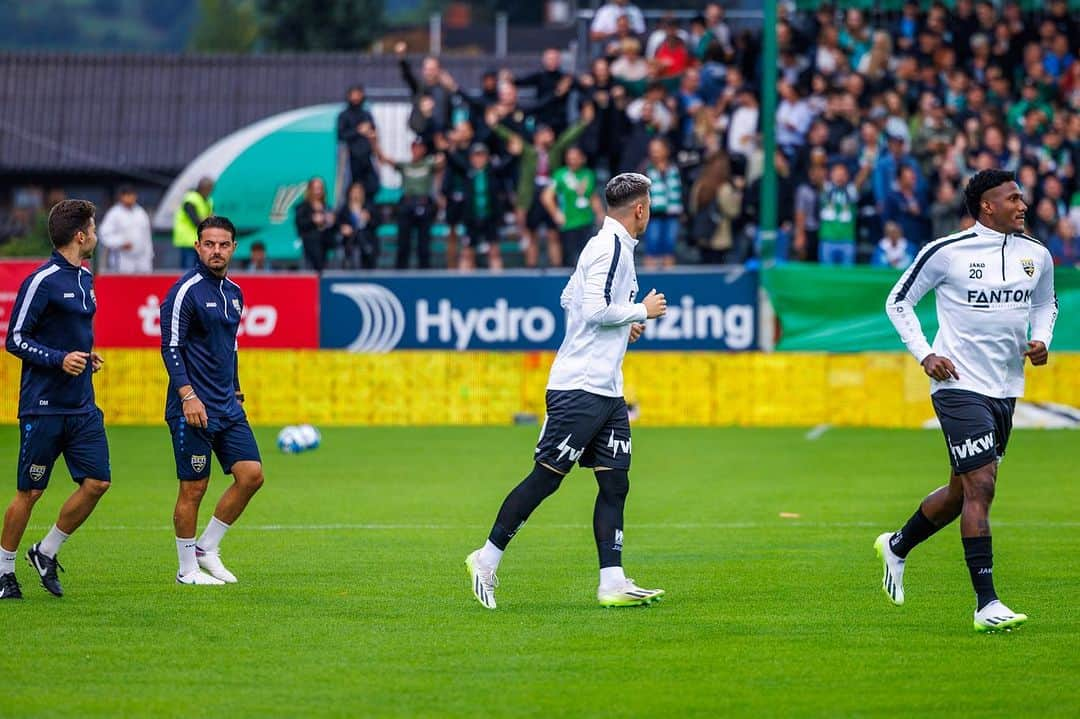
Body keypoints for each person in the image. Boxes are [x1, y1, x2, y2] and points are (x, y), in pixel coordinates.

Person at [465, 173, 667, 610]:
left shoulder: (608, 247)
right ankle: (485, 558)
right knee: (546, 479)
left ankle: (611, 582)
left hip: (606, 389)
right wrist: (640, 310)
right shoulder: (609, 247)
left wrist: (622, 327)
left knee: (616, 484)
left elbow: (568, 299)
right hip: (579, 388)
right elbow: (591, 308)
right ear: (639, 209)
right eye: (648, 204)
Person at [877, 169, 1058, 632]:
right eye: (1013, 198)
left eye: (1022, 198)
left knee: (962, 492)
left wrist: (1042, 339)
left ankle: (897, 545)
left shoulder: (1037, 255)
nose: (1022, 205)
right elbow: (898, 301)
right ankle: (986, 604)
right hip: (957, 383)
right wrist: (926, 354)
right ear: (986, 206)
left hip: (1005, 388)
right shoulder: (945, 252)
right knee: (982, 486)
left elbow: (1045, 304)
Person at [1, 199, 110, 600]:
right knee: (29, 493)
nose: (97, 234)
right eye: (93, 227)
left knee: (98, 482)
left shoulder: (86, 278)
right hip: (43, 406)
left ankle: (45, 551)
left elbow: (71, 333)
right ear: (80, 236)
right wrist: (58, 359)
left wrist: (85, 356)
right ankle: (3, 572)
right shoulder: (41, 280)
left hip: (82, 404)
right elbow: (14, 338)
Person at [159, 216, 266, 586]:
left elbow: (230, 347)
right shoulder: (184, 291)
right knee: (194, 488)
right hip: (193, 407)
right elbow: (170, 347)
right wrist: (187, 396)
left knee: (251, 476)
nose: (216, 251)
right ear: (198, 247)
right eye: (209, 244)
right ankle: (186, 570)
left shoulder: (235, 293)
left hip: (226, 406)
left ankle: (207, 548)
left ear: (233, 247)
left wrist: (235, 389)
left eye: (223, 245)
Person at [374, 138, 441, 270]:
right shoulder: (405, 165)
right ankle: (400, 273)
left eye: (420, 147)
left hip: (424, 204)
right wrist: (374, 141)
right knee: (403, 244)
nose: (417, 150)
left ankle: (425, 274)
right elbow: (383, 159)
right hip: (407, 204)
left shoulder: (429, 163)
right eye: (414, 147)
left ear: (424, 149)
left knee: (424, 245)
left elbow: (442, 161)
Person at [541, 146, 603, 268]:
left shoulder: (588, 174)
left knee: (588, 259)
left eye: (575, 158)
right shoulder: (560, 175)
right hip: (569, 223)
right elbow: (546, 197)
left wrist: (600, 214)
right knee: (570, 260)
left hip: (586, 221)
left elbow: (592, 196)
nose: (572, 161)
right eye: (570, 158)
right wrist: (556, 213)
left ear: (582, 159)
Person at [641, 137, 683, 269]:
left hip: (673, 214)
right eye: (652, 150)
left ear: (666, 151)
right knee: (651, 247)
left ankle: (669, 279)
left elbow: (683, 189)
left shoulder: (675, 167)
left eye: (658, 150)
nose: (655, 153)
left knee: (669, 248)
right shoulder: (645, 168)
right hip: (653, 215)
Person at [336, 85, 380, 204]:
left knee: (373, 185)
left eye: (358, 95)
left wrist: (371, 135)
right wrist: (358, 130)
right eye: (353, 95)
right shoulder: (344, 115)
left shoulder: (367, 114)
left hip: (367, 158)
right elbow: (341, 136)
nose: (356, 98)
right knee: (347, 187)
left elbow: (373, 132)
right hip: (350, 159)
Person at [99, 185, 153, 273]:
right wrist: (121, 242)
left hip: (142, 259)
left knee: (143, 285)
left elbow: (147, 236)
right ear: (121, 197)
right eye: (127, 195)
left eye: (132, 195)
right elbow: (104, 234)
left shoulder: (141, 212)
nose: (130, 198)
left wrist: (149, 256)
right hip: (122, 258)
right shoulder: (114, 213)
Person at [293, 177, 335, 273]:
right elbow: (300, 224)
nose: (318, 192)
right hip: (309, 248)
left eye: (320, 188)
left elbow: (333, 227)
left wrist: (332, 221)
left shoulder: (327, 207)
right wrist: (313, 220)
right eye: (315, 188)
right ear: (310, 190)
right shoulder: (302, 207)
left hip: (325, 248)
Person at [172, 177, 213, 270]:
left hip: (201, 242)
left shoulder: (208, 200)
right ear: (201, 188)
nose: (209, 191)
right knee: (188, 270)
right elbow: (195, 221)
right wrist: (208, 219)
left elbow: (211, 217)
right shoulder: (190, 199)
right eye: (208, 188)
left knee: (200, 270)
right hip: (187, 240)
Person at [336, 183, 377, 270]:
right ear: (349, 193)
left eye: (358, 192)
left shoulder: (369, 207)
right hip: (349, 243)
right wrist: (343, 228)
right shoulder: (344, 209)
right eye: (354, 192)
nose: (356, 195)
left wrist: (368, 219)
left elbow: (376, 223)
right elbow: (338, 223)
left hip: (367, 242)